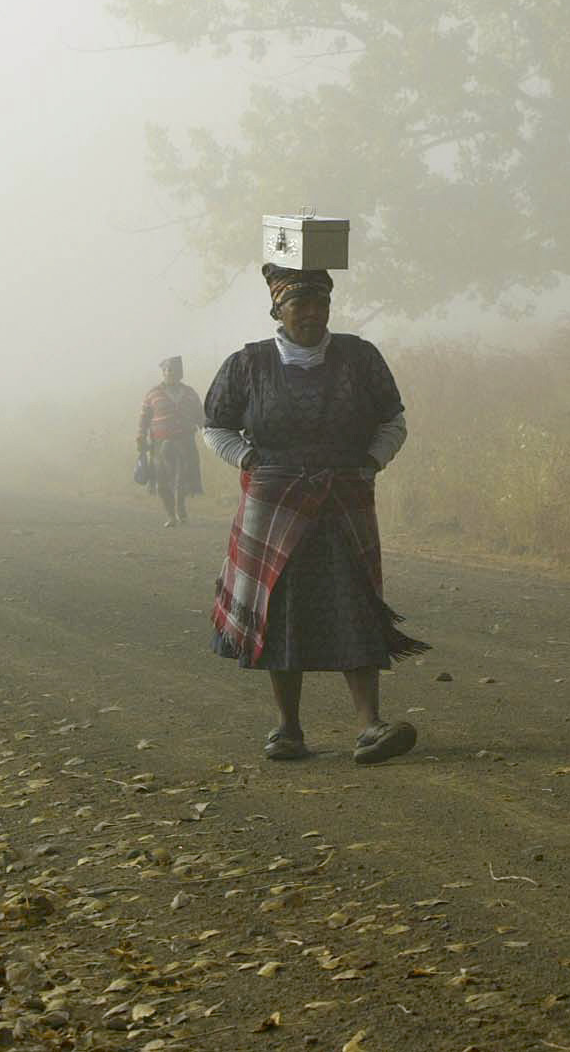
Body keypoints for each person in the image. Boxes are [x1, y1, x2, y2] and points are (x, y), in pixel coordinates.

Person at [202, 264, 422, 765]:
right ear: (278, 309)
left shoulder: (359, 358)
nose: (312, 314)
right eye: (300, 305)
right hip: (274, 505)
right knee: (282, 610)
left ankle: (370, 727)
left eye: (320, 304)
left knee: (355, 603)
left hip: (344, 501)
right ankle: (288, 730)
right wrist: (251, 461)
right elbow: (216, 427)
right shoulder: (248, 365)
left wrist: (369, 464)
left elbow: (393, 421)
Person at [139, 356, 204, 527]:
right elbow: (144, 417)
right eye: (166, 371)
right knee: (161, 481)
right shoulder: (153, 393)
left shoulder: (190, 393)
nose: (169, 374)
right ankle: (170, 515)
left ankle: (180, 509)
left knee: (182, 479)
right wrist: (140, 437)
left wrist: (208, 431)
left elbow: (200, 414)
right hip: (160, 443)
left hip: (185, 441)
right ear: (163, 373)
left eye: (173, 371)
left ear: (180, 374)